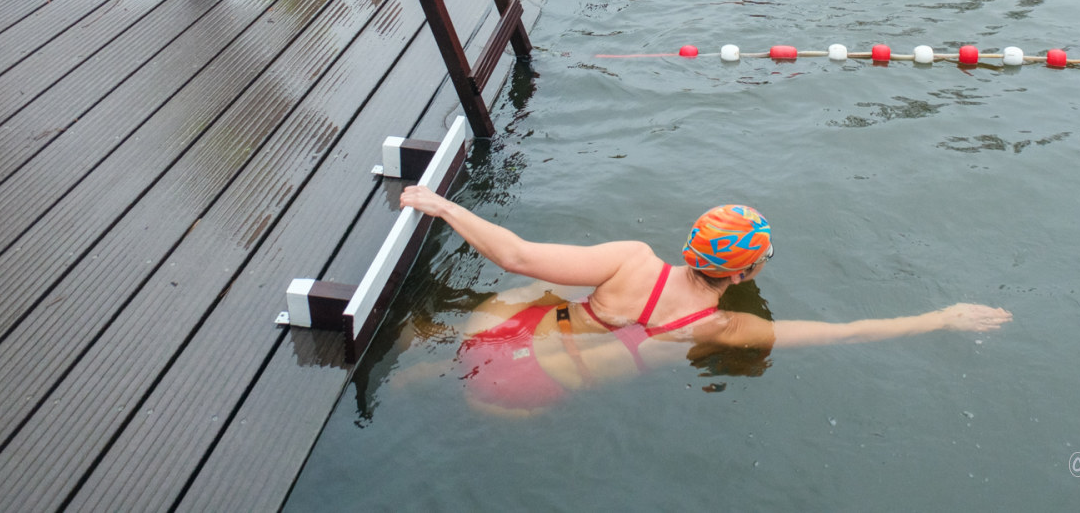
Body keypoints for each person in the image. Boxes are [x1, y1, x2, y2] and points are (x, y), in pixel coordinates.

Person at [397, 193, 1009, 412]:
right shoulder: (724, 327)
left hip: (494, 337)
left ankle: (422, 357)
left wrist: (443, 206)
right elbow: (846, 332)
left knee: (545, 293)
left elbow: (516, 256)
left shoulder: (630, 259)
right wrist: (940, 318)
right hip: (524, 398)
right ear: (743, 272)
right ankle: (434, 375)